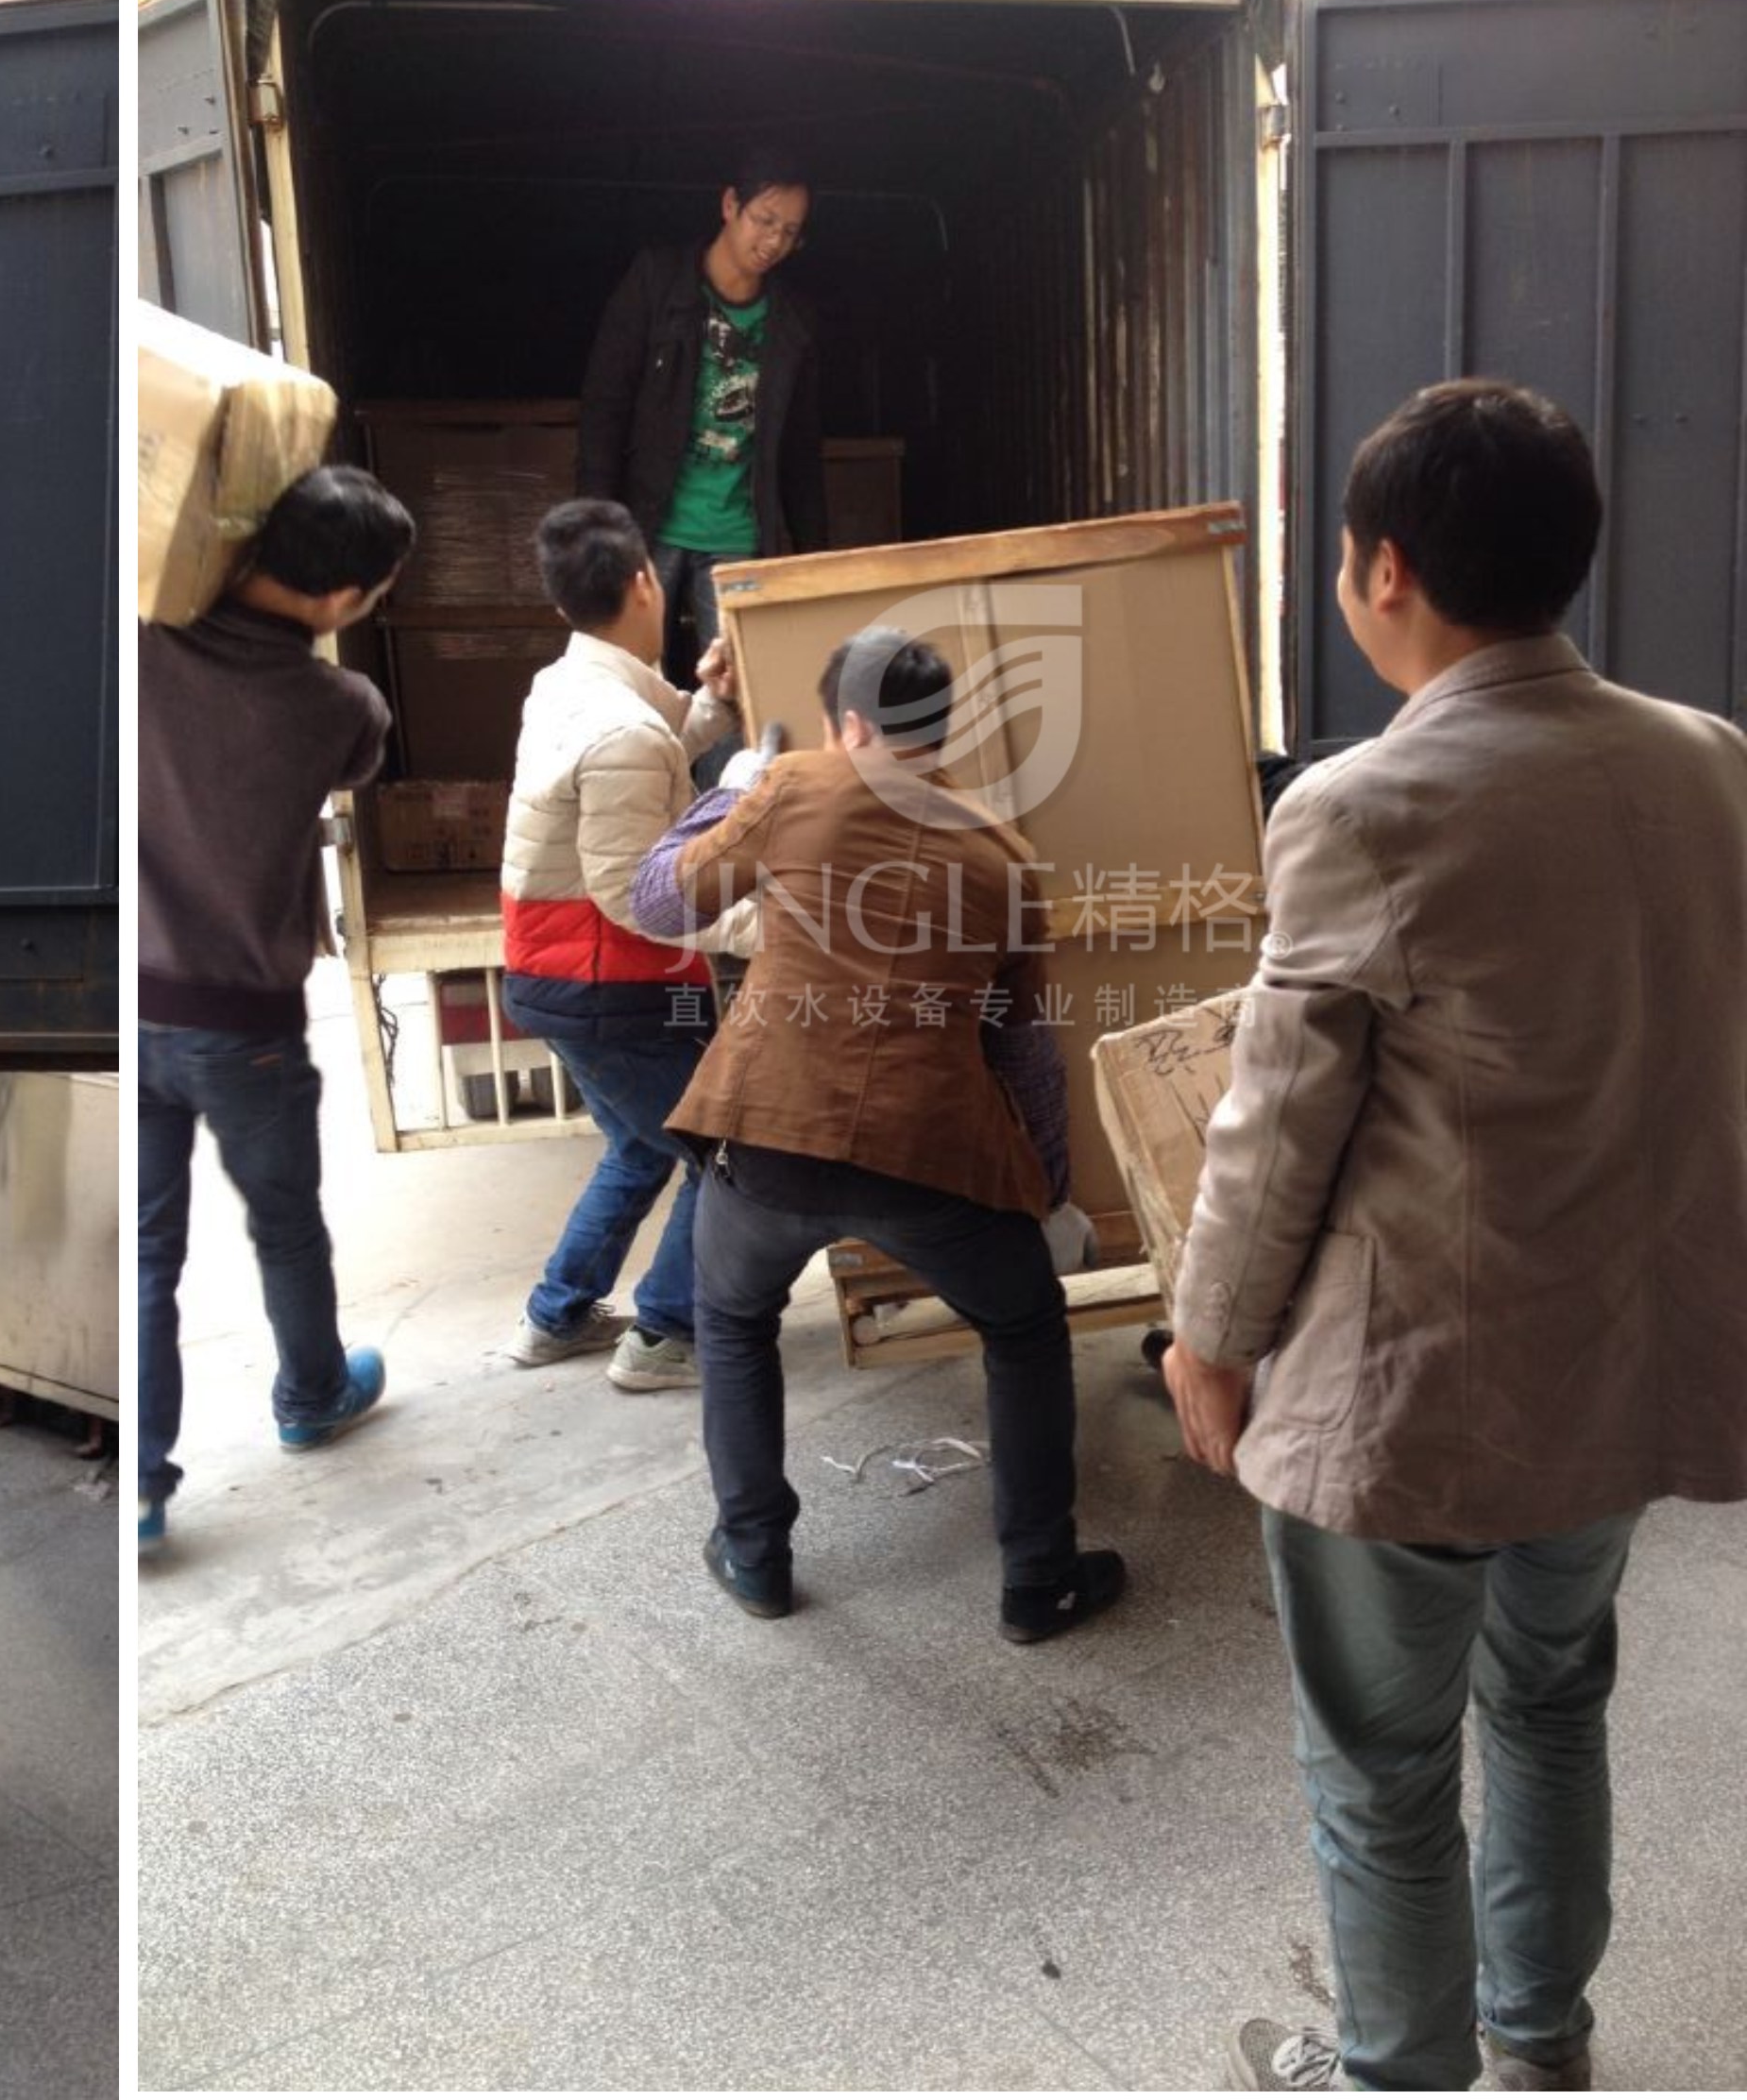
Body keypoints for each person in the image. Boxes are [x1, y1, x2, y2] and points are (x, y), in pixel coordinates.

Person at [1164, 382, 1747, 2094]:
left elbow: (1276, 1125)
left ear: (1385, 571)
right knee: (1553, 1701)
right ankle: (1539, 2037)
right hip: (1622, 1360)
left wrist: (1208, 1339)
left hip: (1417, 1390)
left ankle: (1400, 2071)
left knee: (1381, 1765)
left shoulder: (1364, 804)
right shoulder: (1711, 762)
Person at [635, 630, 1124, 1640]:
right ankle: (1038, 1579)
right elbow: (1022, 1050)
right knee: (1025, 1326)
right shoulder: (1003, 857)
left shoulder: (793, 786)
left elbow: (657, 899)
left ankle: (755, 1554)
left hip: (767, 1135)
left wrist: (732, 788)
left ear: (847, 724)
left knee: (731, 1318)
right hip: (931, 1150)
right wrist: (1047, 1190)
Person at [136, 466, 414, 1551]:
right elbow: (359, 766)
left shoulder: (144, 646)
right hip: (244, 1025)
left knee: (147, 1251)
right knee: (284, 1224)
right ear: (343, 597)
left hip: (132, 1006)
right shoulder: (339, 707)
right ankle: (310, 1396)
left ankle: (146, 1492)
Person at [495, 500, 758, 1389]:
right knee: (726, 1147)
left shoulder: (566, 686)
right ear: (646, 581)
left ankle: (557, 1315)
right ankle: (663, 1336)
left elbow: (647, 758)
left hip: (552, 972)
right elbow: (631, 895)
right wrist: (756, 924)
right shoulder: (623, 727)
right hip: (610, 984)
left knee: (644, 1146)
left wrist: (712, 703)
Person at [576, 149, 827, 703]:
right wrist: (596, 529)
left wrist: (814, 557)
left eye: (790, 232)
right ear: (730, 205)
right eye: (765, 220)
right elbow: (604, 408)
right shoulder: (656, 281)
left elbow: (800, 453)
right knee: (630, 689)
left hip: (739, 535)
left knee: (738, 697)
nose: (774, 241)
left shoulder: (792, 318)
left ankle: (729, 770)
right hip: (650, 528)